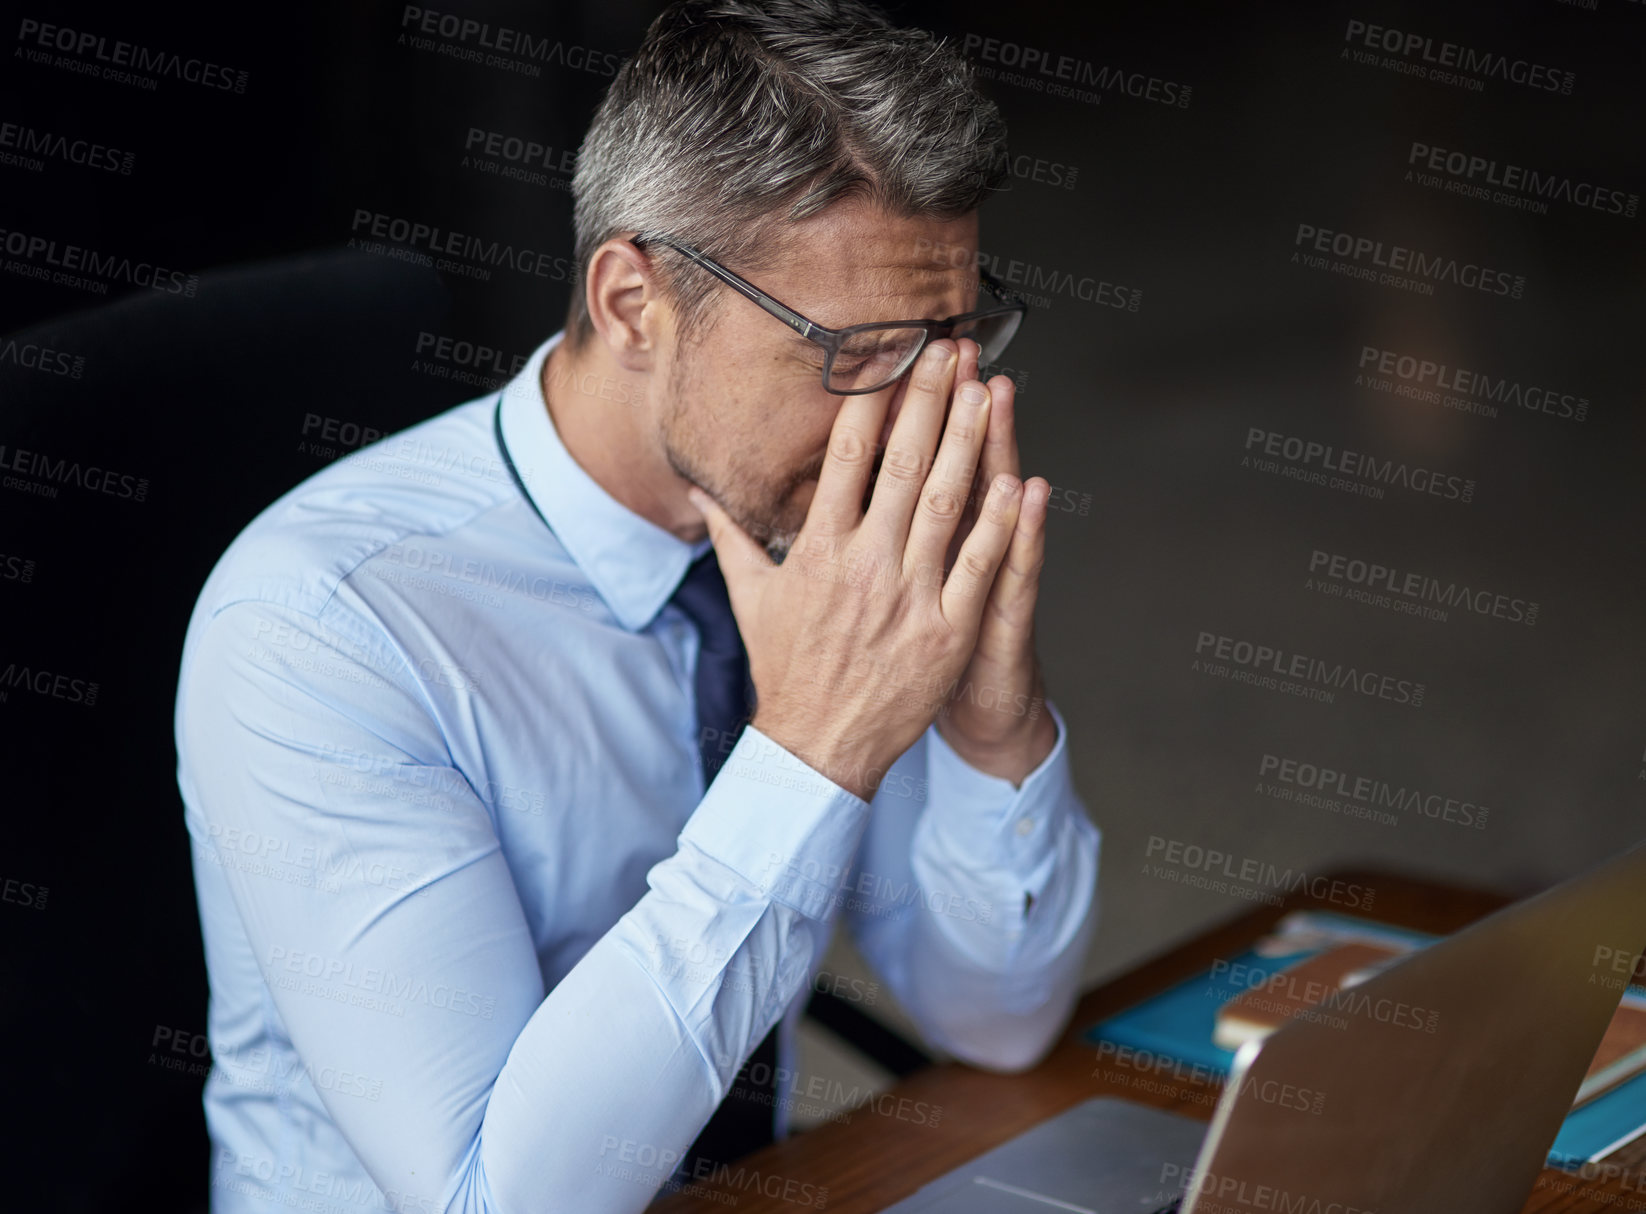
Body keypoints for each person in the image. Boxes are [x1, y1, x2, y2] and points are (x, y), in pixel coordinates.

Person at [173, 1, 1101, 1210]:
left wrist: (992, 731)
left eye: (948, 338)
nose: (909, 416)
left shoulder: (818, 529)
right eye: (855, 352)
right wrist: (813, 747)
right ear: (631, 304)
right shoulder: (321, 631)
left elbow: (996, 1020)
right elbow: (492, 1196)